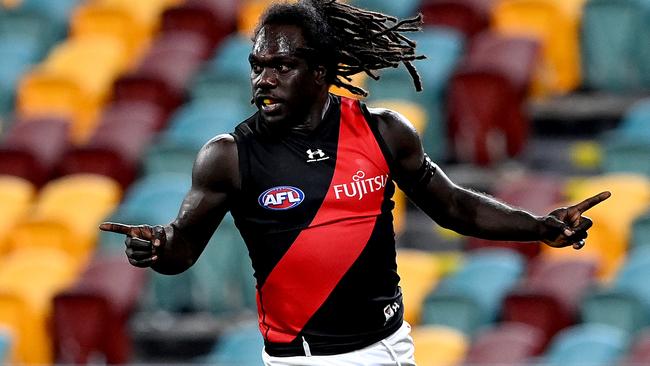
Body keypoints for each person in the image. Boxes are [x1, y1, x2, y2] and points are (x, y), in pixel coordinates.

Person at [100, 0, 611, 364]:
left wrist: (538, 227)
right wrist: (157, 248)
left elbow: (454, 207)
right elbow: (181, 252)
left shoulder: (383, 131)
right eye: (258, 66)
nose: (263, 79)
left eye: (282, 66)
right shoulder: (229, 156)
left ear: (320, 71)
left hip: (391, 348)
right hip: (303, 359)